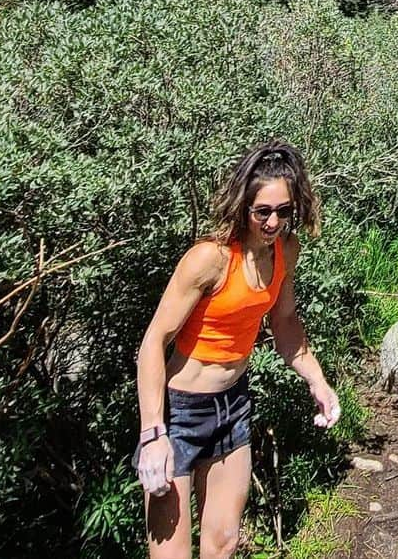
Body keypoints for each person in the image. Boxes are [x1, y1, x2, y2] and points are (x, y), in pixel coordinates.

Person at [134, 142, 341, 559]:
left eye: (283, 211)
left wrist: (318, 381)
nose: (273, 222)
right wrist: (153, 433)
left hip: (233, 407)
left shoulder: (285, 251)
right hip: (179, 414)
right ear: (243, 205)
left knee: (223, 544)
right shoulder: (209, 259)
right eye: (262, 211)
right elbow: (153, 342)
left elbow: (284, 324)